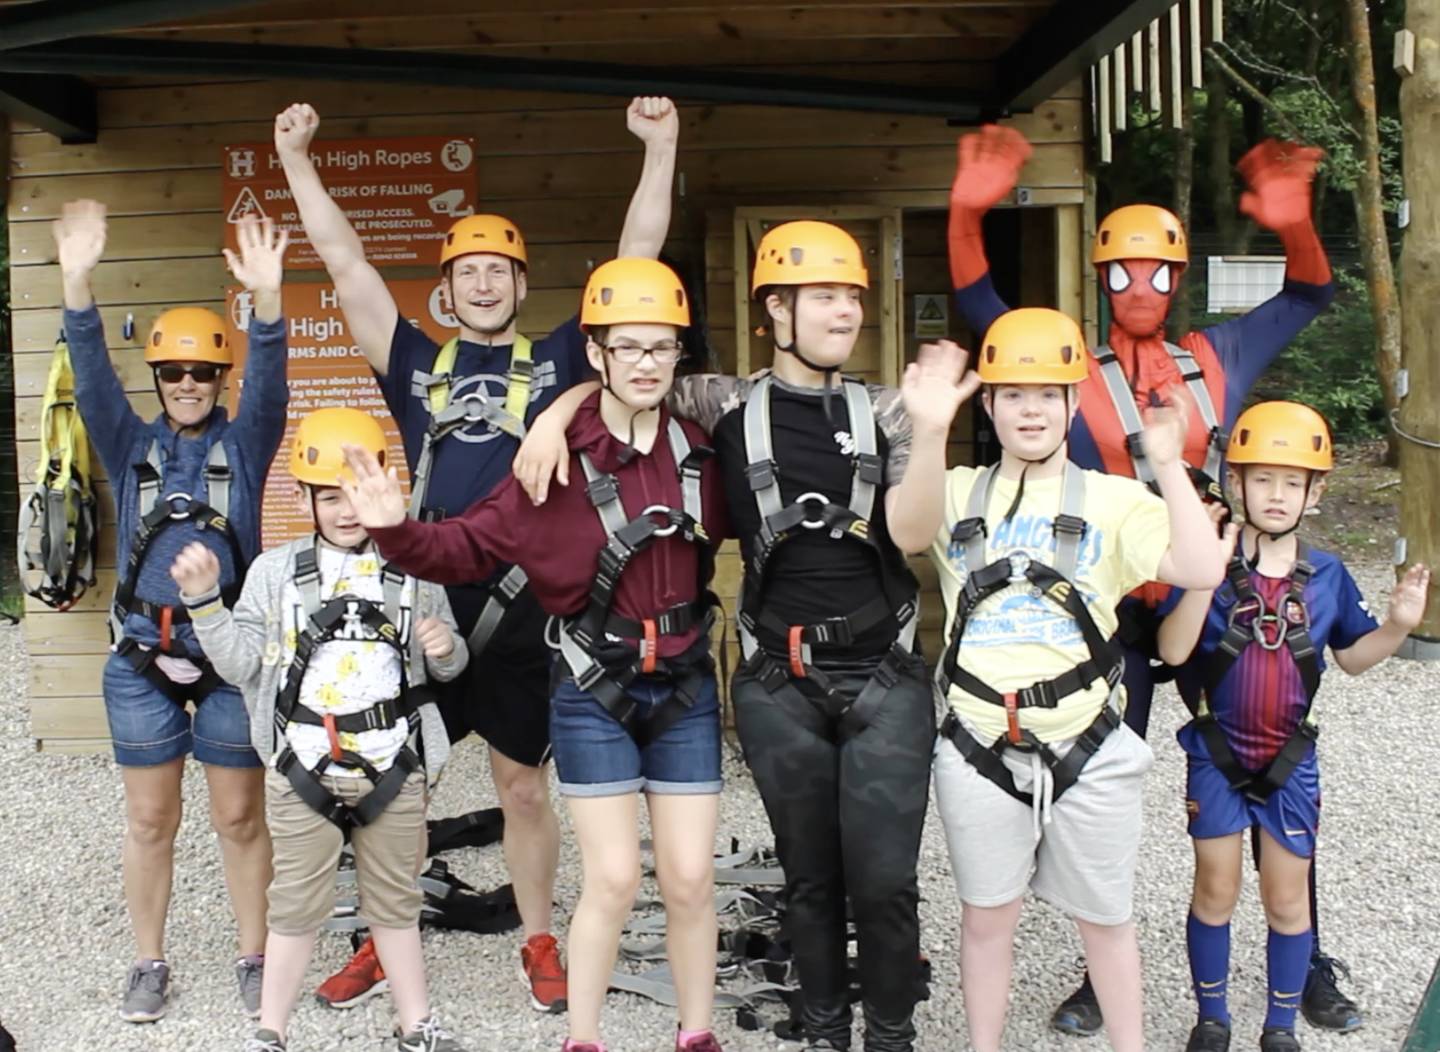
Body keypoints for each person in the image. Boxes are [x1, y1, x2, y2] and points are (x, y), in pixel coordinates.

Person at [274, 96, 680, 1012]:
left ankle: (538, 936)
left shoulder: (567, 359)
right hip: (422, 596)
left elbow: (637, 263)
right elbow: (346, 263)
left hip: (525, 602)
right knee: (394, 779)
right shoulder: (414, 361)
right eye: (468, 272)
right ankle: (389, 932)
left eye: (501, 268)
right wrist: (298, 161)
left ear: (521, 284)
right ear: (445, 294)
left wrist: (660, 150)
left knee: (521, 784)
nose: (486, 282)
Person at [946, 125, 1353, 1034]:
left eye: (1159, 273)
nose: (1141, 288)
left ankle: (1307, 954)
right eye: (1123, 272)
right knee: (1094, 782)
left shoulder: (1218, 358)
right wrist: (968, 211)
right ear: (1100, 278)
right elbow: (980, 300)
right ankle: (1104, 970)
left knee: (1273, 756)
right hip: (1108, 618)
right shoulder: (1068, 370)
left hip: (1214, 603)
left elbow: (1312, 292)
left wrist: (1296, 224)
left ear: (1179, 280)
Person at [518, 221, 960, 1052]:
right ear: (776, 313)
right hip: (776, 678)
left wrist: (933, 428)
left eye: (853, 297)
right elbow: (626, 379)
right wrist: (554, 417)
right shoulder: (720, 401)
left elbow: (908, 530)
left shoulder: (892, 410)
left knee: (885, 881)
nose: (846, 312)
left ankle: (892, 1037)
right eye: (826, 296)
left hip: (884, 675)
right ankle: (827, 1031)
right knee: (809, 877)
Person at [337, 257, 728, 1052]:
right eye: (629, 349)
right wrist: (393, 529)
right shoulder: (549, 463)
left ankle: (698, 1034)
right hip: (593, 687)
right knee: (615, 878)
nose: (647, 363)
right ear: (598, 354)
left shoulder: (704, 453)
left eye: (662, 348)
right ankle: (582, 1038)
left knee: (690, 879)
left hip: (684, 686)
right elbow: (462, 546)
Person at [915, 308, 1229, 1052]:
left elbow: (1201, 567)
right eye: (1014, 394)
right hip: (979, 743)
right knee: (987, 917)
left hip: (1087, 743)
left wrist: (1165, 464)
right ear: (987, 405)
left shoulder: (1114, 500)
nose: (1032, 409)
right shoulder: (955, 492)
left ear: (1070, 405)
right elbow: (902, 531)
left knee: (1107, 919)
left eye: (1050, 394)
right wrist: (927, 429)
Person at [53, 202, 289, 1022]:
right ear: (155, 381)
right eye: (171, 373)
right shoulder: (130, 446)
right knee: (151, 818)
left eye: (201, 373)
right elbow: (89, 379)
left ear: (220, 380)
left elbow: (271, 381)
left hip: (229, 655)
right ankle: (148, 961)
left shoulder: (247, 444)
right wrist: (77, 281)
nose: (187, 385)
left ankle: (255, 954)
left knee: (238, 814)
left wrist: (266, 304)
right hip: (142, 657)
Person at [175, 407, 470, 1052]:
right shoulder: (274, 574)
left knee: (396, 902)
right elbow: (242, 665)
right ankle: (270, 1029)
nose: (345, 511)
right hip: (300, 767)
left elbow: (448, 670)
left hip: (393, 762)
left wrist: (444, 647)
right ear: (304, 496)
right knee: (295, 906)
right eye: (328, 497)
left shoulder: (414, 568)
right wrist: (204, 604)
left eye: (357, 495)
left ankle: (416, 1021)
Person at [1154, 401, 1429, 1052]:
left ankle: (1279, 1025)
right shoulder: (1205, 562)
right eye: (1263, 478)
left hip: (1289, 762)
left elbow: (1353, 660)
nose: (1276, 495)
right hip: (1216, 754)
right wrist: (1203, 575)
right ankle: (1212, 1018)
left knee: (1287, 900)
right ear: (1236, 481)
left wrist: (1397, 627)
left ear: (1314, 492)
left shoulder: (1327, 575)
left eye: (1292, 481)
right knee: (1215, 888)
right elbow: (1170, 651)